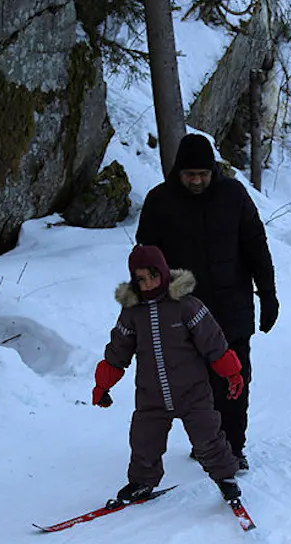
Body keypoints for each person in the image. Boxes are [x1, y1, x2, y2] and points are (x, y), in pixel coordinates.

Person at [136, 134, 278, 471]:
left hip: (233, 307)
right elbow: (145, 257)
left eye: (203, 173)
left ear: (213, 170)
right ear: (178, 172)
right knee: (195, 384)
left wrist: (268, 293)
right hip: (182, 311)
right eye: (190, 175)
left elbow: (256, 245)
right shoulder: (159, 201)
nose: (197, 180)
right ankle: (207, 443)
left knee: (234, 378)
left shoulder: (234, 195)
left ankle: (232, 447)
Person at [91, 245, 244, 503]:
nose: (148, 283)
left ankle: (225, 477)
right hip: (151, 395)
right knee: (143, 441)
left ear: (162, 271)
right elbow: (118, 351)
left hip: (192, 391)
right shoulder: (132, 313)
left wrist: (232, 374)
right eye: (141, 278)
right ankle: (142, 481)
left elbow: (214, 343)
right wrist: (103, 386)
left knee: (208, 437)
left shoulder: (186, 305)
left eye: (153, 275)